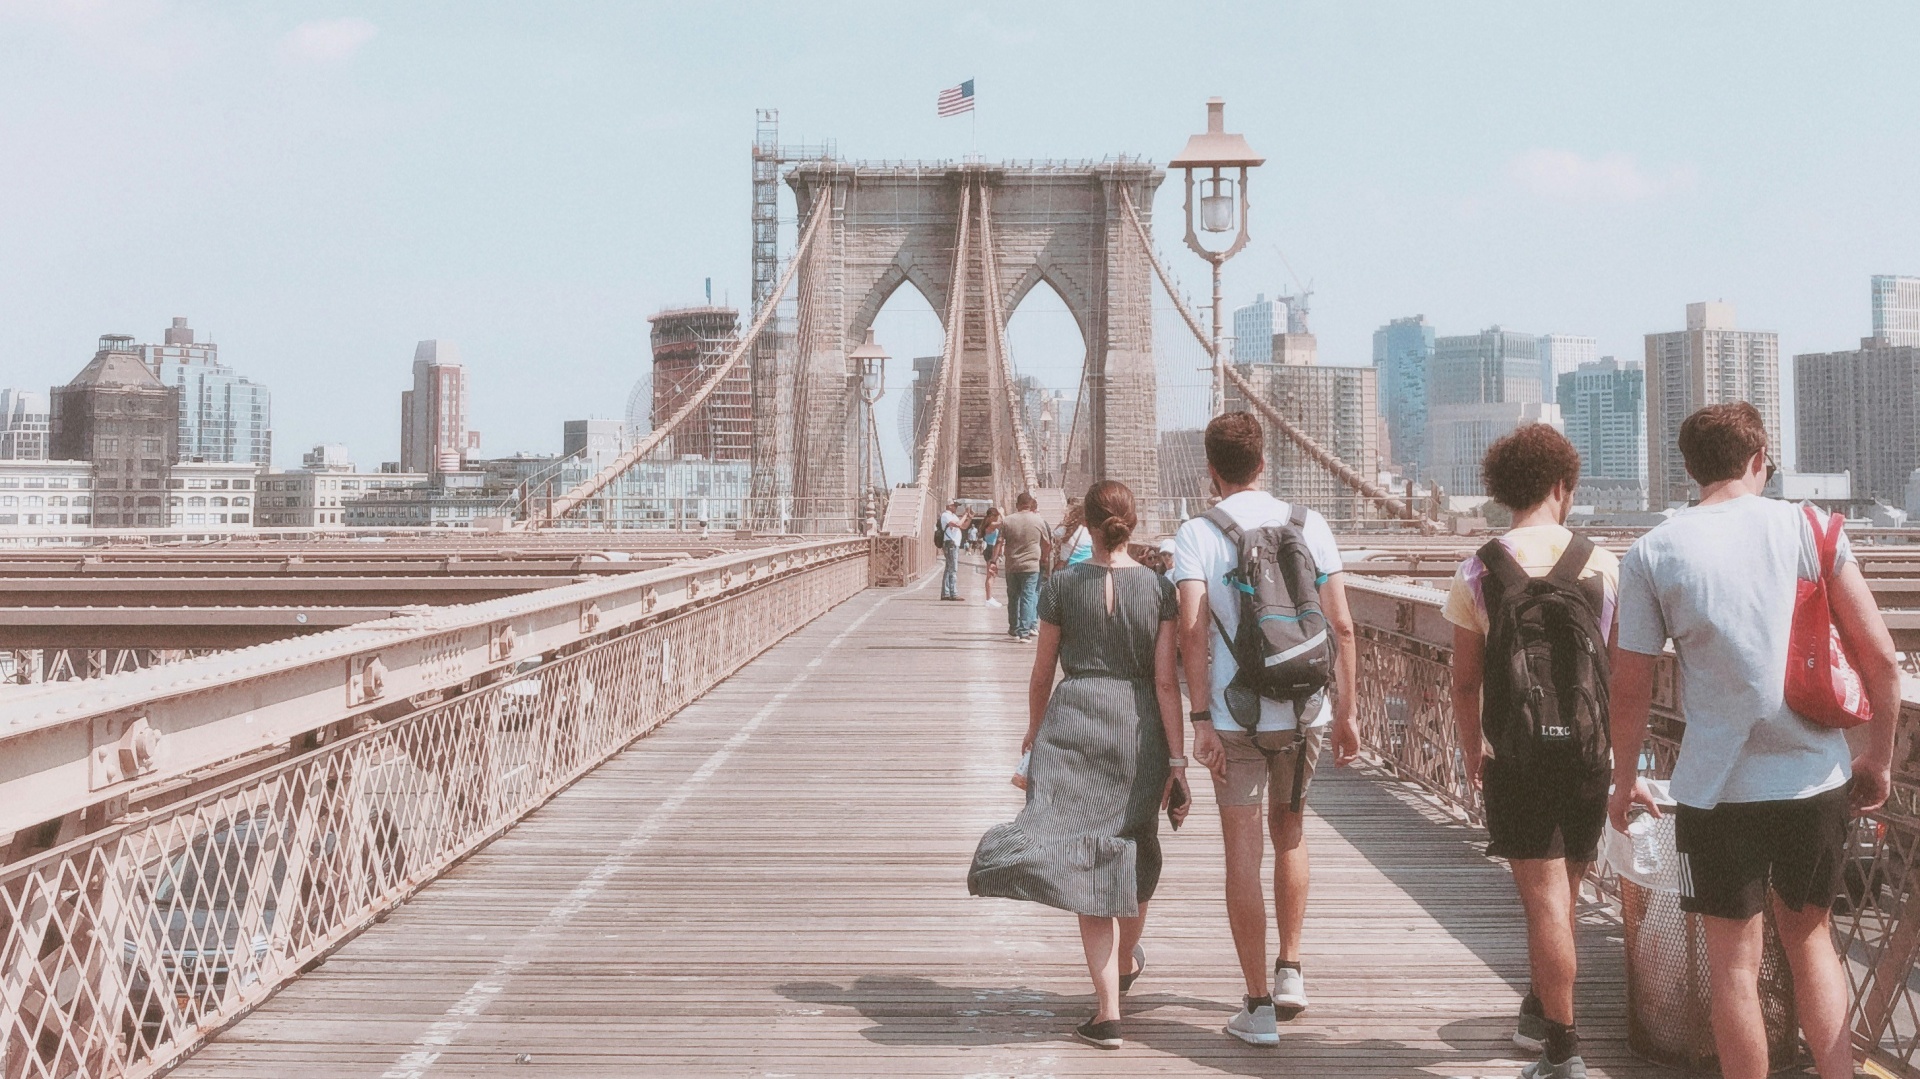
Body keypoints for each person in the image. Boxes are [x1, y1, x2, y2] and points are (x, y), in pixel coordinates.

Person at [1608, 403, 1902, 1079]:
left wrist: (1626, 780)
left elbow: (1629, 685)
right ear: (1760, 459)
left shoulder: (1655, 550)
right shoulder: (1811, 526)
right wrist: (1880, 756)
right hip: (1815, 782)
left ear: (1688, 467)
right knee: (1813, 940)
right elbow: (1882, 661)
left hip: (1714, 792)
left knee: (1732, 966)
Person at [968, 480, 1188, 1051]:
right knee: (1134, 851)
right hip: (1137, 729)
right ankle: (1121, 971)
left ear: (1086, 524)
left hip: (1074, 725)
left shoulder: (1062, 586)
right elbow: (1167, 682)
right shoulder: (1161, 589)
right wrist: (1177, 758)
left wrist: (1034, 736)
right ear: (1132, 524)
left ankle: (1107, 1012)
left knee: (1090, 859)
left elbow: (1042, 673)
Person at [1173, 411, 1360, 1046]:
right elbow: (1342, 625)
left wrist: (1198, 717)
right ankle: (1290, 973)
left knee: (1242, 854)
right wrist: (1350, 712)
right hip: (1306, 709)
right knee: (1292, 832)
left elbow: (1193, 630)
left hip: (1233, 714)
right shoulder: (1310, 524)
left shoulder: (1197, 533)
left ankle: (1256, 1009)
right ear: (1264, 463)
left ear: (1210, 470)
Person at [1443, 424, 1618, 1079]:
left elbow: (1464, 681)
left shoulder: (1479, 568)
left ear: (1501, 489)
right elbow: (1619, 672)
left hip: (1516, 758)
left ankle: (1563, 1049)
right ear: (1560, 484)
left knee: (1544, 900)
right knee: (1563, 893)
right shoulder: (1602, 563)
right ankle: (1538, 1011)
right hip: (1588, 754)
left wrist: (1471, 752)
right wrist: (1621, 761)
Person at [999, 492, 1051, 641]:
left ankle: (1013, 628)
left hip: (1012, 565)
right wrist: (1043, 557)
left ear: (1017, 504)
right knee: (1028, 597)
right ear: (1030, 504)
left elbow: (999, 542)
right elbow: (1047, 543)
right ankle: (1024, 632)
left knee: (1013, 597)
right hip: (1031, 565)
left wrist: (994, 560)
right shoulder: (1039, 520)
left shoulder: (1007, 520)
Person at [938, 499, 971, 601]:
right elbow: (957, 525)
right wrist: (965, 515)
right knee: (953, 569)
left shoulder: (953, 516)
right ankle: (953, 593)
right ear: (949, 506)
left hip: (953, 544)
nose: (956, 508)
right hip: (950, 544)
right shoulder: (946, 515)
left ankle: (946, 593)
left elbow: (963, 526)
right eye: (954, 506)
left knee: (949, 568)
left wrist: (969, 518)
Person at [1054, 501, 1093, 569]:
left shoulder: (1065, 530)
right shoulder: (1090, 531)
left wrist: (1064, 522)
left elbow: (1055, 533)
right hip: (1087, 568)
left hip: (1068, 568)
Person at [980, 507, 1003, 608]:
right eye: (996, 516)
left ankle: (990, 597)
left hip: (992, 549)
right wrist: (1002, 513)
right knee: (990, 575)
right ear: (991, 517)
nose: (998, 518)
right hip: (991, 550)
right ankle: (988, 598)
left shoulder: (988, 524)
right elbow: (1005, 523)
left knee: (992, 575)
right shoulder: (991, 525)